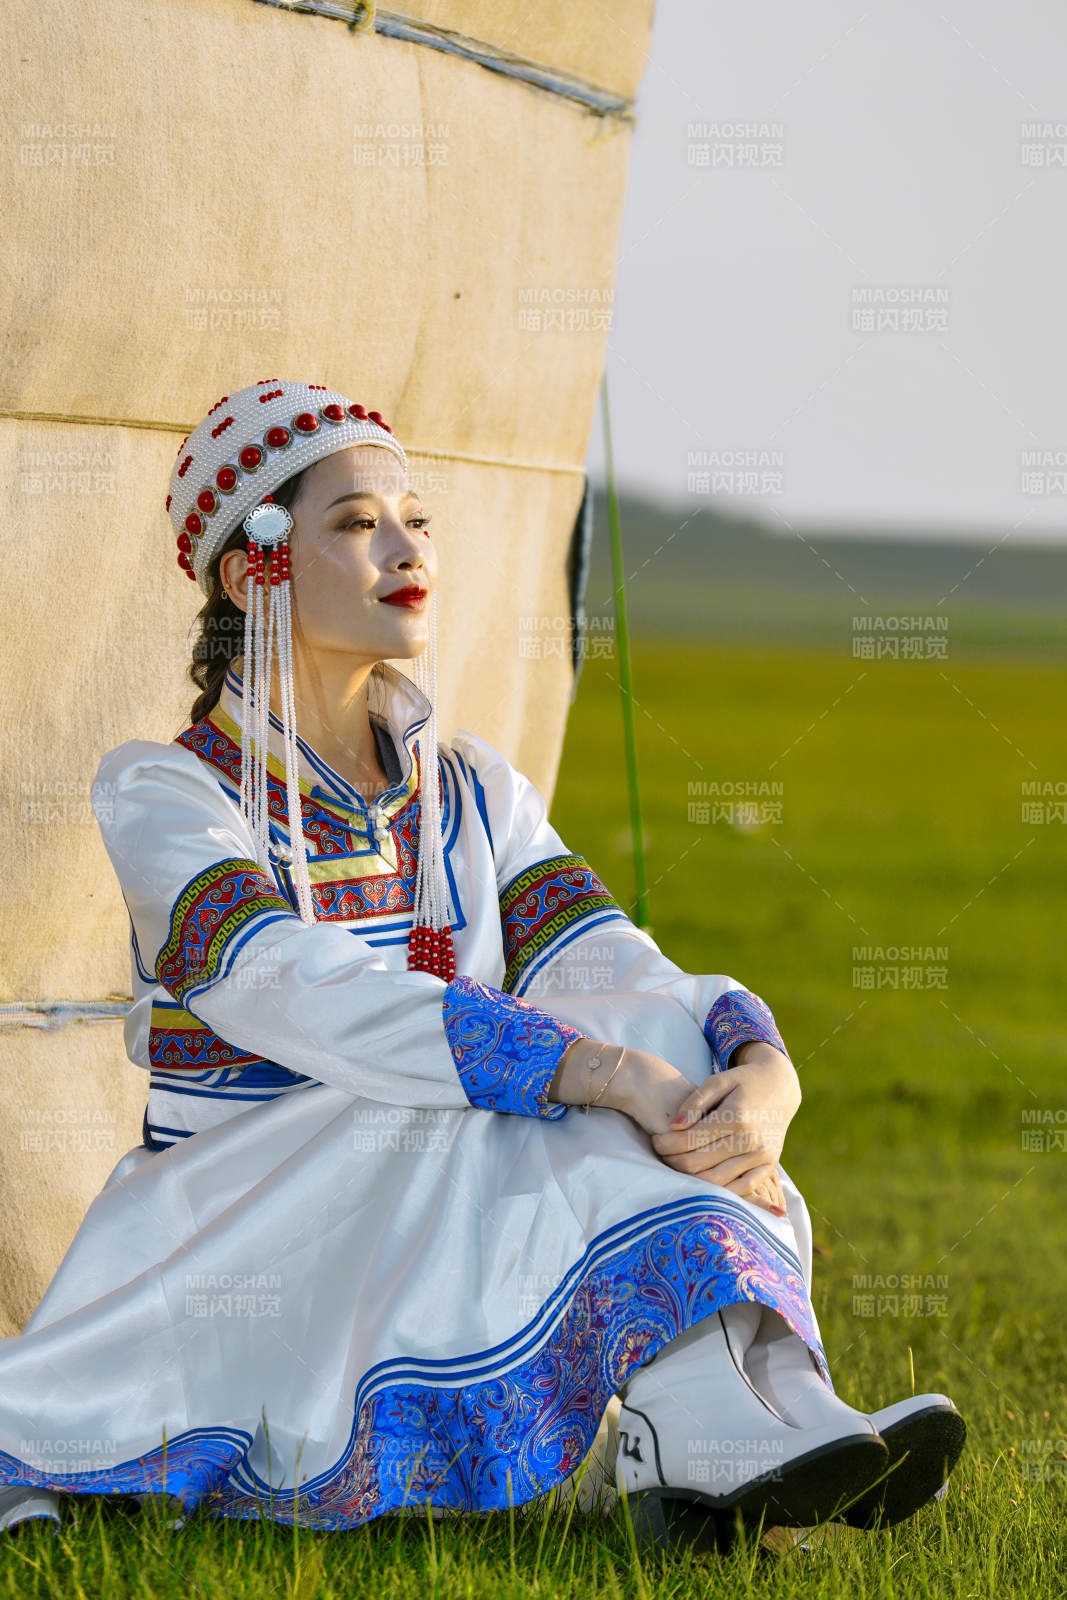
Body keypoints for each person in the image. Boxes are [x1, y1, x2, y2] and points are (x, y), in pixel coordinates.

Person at [0, 380, 965, 1548]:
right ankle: (702, 1437)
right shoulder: (165, 790)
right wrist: (586, 1069)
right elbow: (283, 981)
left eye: (417, 516)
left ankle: (767, 1413)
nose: (408, 549)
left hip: (420, 1190)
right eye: (356, 524)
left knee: (646, 1037)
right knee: (524, 1082)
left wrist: (756, 1059)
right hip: (245, 1217)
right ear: (259, 567)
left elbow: (608, 955)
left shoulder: (467, 791)